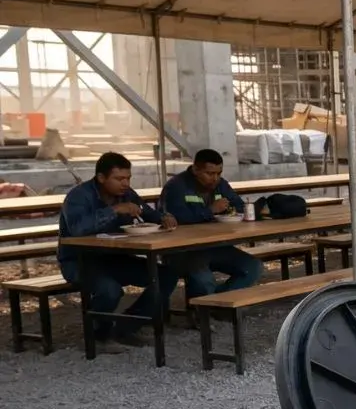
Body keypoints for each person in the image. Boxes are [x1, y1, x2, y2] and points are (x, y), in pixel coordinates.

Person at [58, 152, 180, 354]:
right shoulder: (78, 196)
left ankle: (127, 327)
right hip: (79, 261)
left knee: (166, 275)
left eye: (128, 178)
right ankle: (98, 336)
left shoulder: (127, 193)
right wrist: (115, 210)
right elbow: (77, 229)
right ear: (101, 178)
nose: (125, 183)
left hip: (115, 258)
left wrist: (164, 217)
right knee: (110, 290)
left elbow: (147, 212)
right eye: (119, 179)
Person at [160, 149, 263, 298]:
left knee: (253, 267)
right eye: (209, 174)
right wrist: (210, 210)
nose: (215, 178)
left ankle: (218, 304)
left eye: (218, 173)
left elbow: (239, 205)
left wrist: (230, 211)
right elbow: (177, 218)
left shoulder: (220, 184)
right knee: (204, 280)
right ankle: (204, 313)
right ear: (195, 169)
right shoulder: (177, 186)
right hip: (183, 250)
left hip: (214, 246)